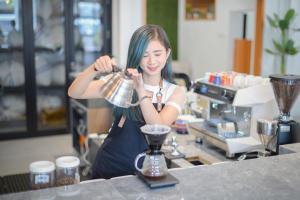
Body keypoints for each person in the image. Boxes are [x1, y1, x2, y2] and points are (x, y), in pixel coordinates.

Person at [68, 24, 186, 179]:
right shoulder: (122, 81)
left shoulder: (175, 91)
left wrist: (140, 89)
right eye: (144, 55)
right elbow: (74, 92)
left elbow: (158, 126)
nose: (152, 61)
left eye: (157, 54)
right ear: (136, 55)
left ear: (167, 53)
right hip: (109, 166)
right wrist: (94, 69)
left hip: (147, 169)